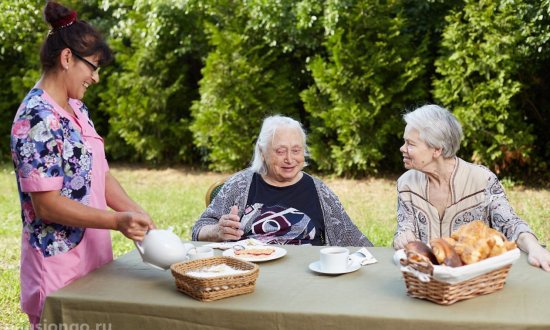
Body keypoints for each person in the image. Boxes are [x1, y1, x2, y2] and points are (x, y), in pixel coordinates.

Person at [10, 2, 155, 326]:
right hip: (59, 270)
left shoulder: (77, 109)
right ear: (66, 58)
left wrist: (138, 214)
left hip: (95, 260)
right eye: (93, 66)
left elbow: (97, 175)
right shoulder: (36, 118)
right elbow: (47, 206)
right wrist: (117, 221)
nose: (96, 78)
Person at [393, 104, 550, 271]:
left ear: (437, 150)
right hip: (428, 284)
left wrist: (535, 248)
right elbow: (405, 230)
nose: (402, 148)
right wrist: (401, 238)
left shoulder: (482, 180)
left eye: (410, 144)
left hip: (476, 279)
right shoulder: (406, 184)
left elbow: (511, 224)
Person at [192, 115, 372, 247]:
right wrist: (217, 231)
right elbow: (198, 230)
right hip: (253, 273)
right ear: (263, 153)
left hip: (308, 278)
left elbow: (352, 239)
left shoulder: (319, 191)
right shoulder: (239, 185)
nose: (289, 159)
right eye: (280, 151)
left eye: (296, 150)